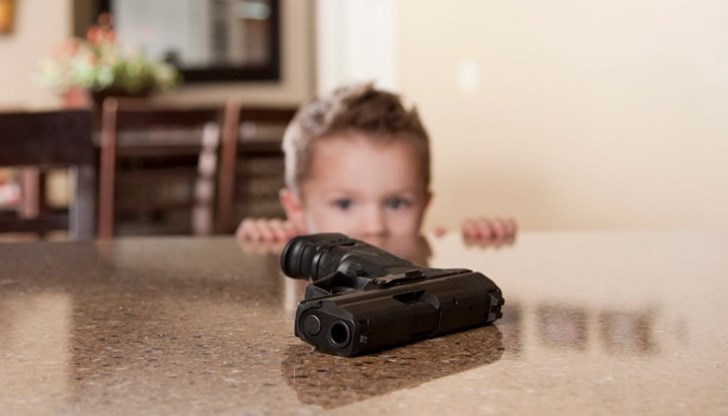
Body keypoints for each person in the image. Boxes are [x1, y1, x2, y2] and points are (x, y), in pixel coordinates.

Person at [236, 83, 516, 246]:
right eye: (345, 203)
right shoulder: (293, 257)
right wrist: (263, 245)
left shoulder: (428, 260)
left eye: (396, 203)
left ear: (424, 205)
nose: (374, 228)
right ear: (297, 210)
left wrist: (484, 240)